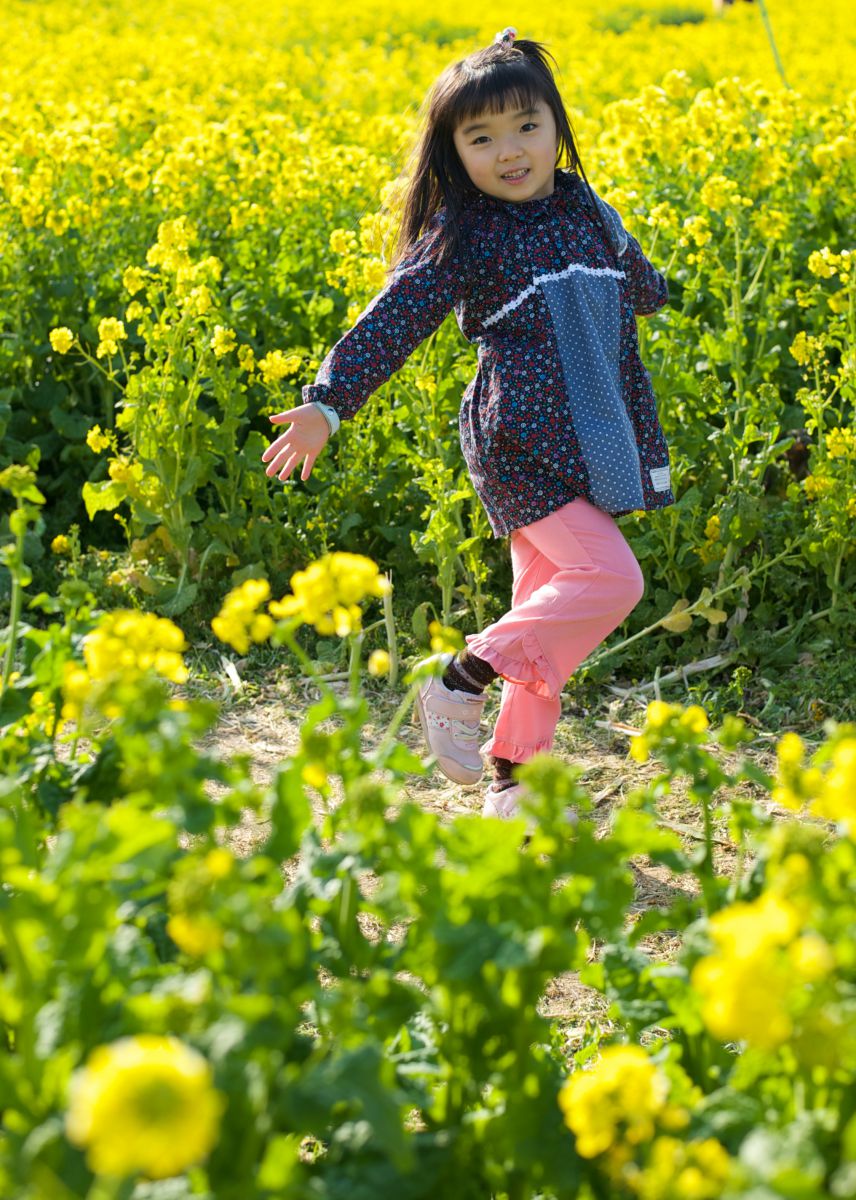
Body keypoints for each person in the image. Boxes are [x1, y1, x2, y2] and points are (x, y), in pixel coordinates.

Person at [262, 28, 673, 822]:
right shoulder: (468, 232)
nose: (510, 151)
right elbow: (398, 315)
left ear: (558, 127)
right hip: (518, 444)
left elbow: (639, 278)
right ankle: (460, 678)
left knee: (546, 610)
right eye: (481, 138)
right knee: (612, 582)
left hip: (586, 439)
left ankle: (515, 781)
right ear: (454, 153)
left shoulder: (589, 209)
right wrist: (329, 400)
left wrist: (663, 287)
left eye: (527, 126)